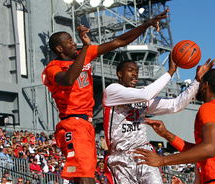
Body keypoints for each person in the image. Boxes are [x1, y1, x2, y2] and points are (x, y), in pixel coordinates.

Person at [42, 8, 170, 184]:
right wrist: (86, 47)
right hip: (72, 123)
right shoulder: (53, 68)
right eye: (70, 41)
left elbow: (119, 41)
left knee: (86, 175)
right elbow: (68, 80)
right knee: (84, 175)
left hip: (86, 124)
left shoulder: (83, 57)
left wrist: (147, 24)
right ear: (59, 48)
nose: (74, 44)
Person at [102, 53, 214, 184]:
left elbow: (175, 105)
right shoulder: (112, 91)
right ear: (120, 74)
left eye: (137, 72)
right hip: (120, 159)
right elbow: (145, 94)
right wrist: (170, 72)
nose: (135, 74)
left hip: (143, 153)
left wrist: (197, 81)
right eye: (130, 70)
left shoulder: (142, 99)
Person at [134, 69, 215, 184]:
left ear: (205, 85)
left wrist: (162, 160)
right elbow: (201, 151)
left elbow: (208, 149)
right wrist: (166, 134)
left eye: (200, 82)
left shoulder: (209, 108)